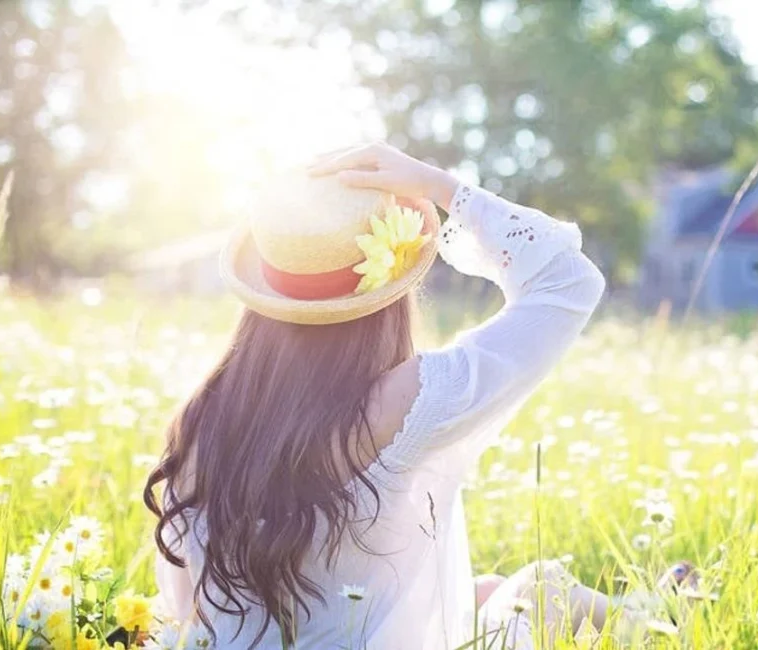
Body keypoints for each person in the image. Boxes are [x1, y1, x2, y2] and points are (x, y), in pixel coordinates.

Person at [144, 143, 666, 649]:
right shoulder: (402, 400)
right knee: (539, 586)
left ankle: (651, 610)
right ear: (388, 293)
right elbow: (567, 281)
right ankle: (662, 618)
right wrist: (440, 185)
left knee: (481, 590)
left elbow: (187, 609)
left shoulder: (201, 416)